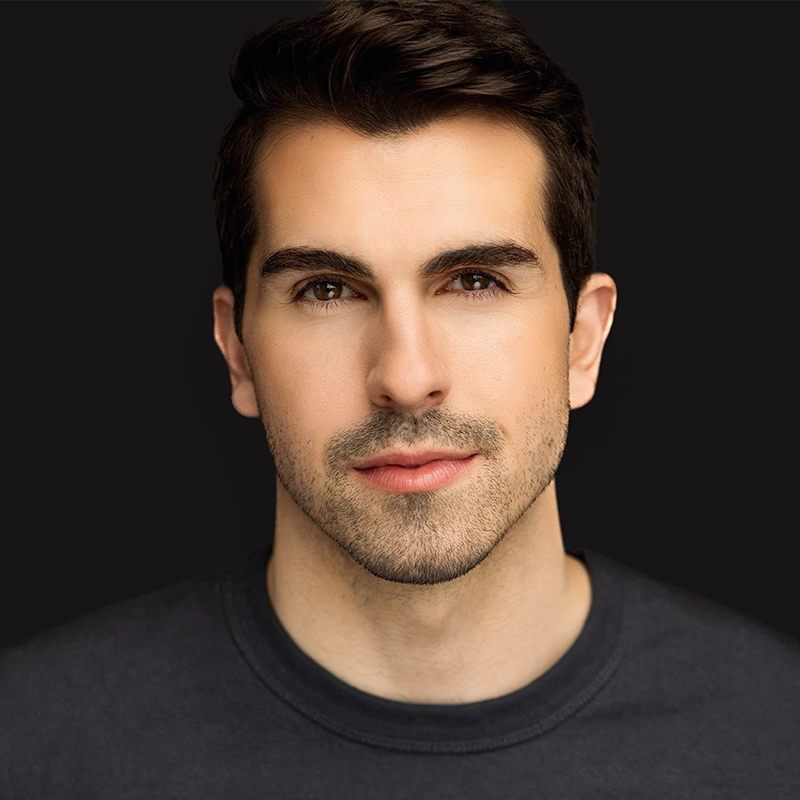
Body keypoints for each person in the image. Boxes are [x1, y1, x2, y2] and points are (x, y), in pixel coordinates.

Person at [2, 1, 797, 796]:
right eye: (325, 290)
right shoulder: (30, 743)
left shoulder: (778, 736)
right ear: (237, 351)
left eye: (475, 281)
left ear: (582, 341)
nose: (406, 376)